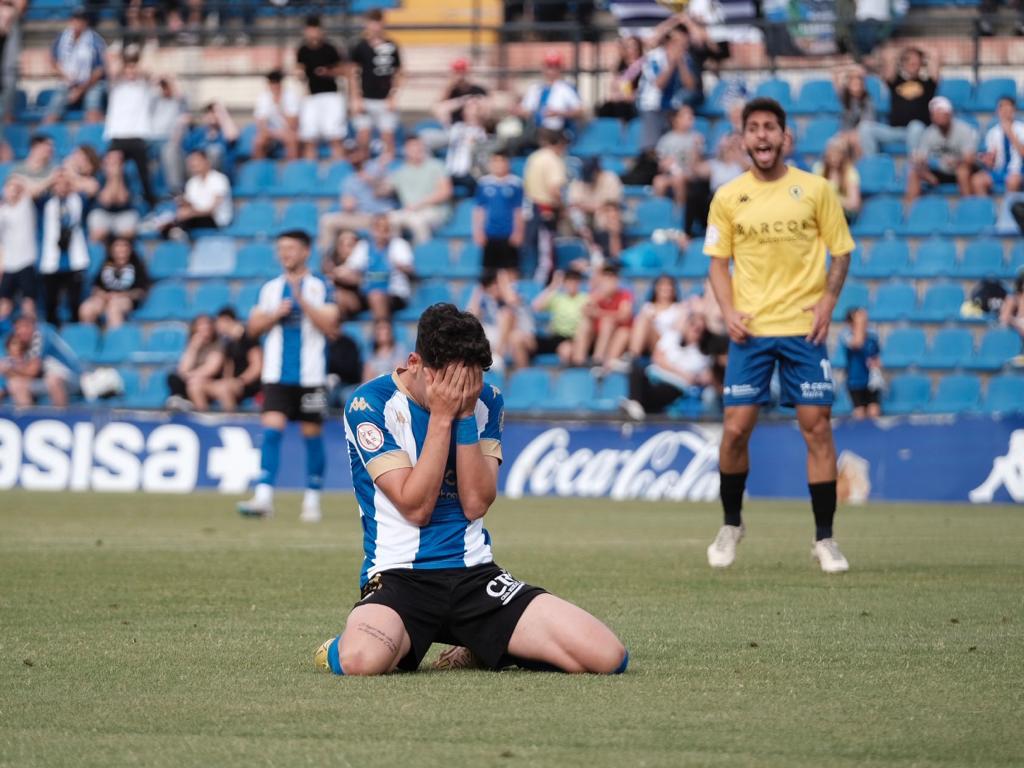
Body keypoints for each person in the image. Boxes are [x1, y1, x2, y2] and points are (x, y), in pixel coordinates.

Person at [313, 302, 627, 676]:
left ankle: (477, 643)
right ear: (415, 364)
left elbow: (476, 503)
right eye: (451, 383)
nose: (462, 392)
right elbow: (416, 508)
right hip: (399, 577)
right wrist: (442, 416)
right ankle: (335, 647)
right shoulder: (369, 404)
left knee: (608, 657)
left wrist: (463, 415)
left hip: (475, 576)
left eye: (470, 383)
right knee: (361, 660)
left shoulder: (485, 400)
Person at [703, 97, 856, 573]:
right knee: (734, 430)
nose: (762, 135)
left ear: (784, 137)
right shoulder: (728, 196)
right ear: (743, 138)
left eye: (770, 127)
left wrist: (828, 303)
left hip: (802, 331)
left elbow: (841, 251)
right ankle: (731, 524)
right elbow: (717, 264)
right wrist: (728, 311)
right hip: (750, 332)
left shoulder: (816, 189)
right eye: (754, 128)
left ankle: (825, 538)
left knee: (817, 428)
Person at [238, 230, 340, 523]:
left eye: (291, 248)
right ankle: (263, 497)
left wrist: (302, 302)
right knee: (271, 431)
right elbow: (252, 328)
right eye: (281, 248)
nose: (285, 254)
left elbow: (331, 326)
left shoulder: (320, 286)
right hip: (276, 375)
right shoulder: (270, 288)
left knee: (312, 436)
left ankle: (312, 500)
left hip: (311, 377)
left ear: (306, 251)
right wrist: (275, 314)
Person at [621, 312, 713, 419]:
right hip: (653, 377)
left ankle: (635, 407)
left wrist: (668, 366)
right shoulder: (671, 336)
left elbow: (701, 378)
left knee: (653, 393)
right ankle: (635, 406)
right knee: (635, 365)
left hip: (673, 387)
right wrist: (681, 372)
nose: (694, 329)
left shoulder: (702, 355)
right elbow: (657, 358)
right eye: (692, 324)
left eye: (699, 329)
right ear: (687, 324)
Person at [858, 45, 940, 158]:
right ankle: (873, 164)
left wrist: (918, 50)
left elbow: (935, 56)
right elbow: (889, 58)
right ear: (904, 64)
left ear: (921, 64)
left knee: (915, 126)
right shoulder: (896, 82)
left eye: (915, 62)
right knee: (865, 128)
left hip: (918, 131)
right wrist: (904, 51)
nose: (912, 64)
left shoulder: (928, 84)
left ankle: (914, 165)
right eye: (909, 61)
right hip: (895, 131)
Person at [103, 47, 157, 209]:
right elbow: (112, 70)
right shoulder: (116, 85)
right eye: (128, 68)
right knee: (112, 171)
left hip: (137, 135)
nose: (131, 71)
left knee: (144, 173)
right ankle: (113, 201)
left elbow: (149, 71)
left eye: (133, 68)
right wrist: (124, 59)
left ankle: (150, 201)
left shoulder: (144, 85)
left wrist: (135, 62)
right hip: (117, 135)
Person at [635, 20, 698, 151]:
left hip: (672, 107)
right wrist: (671, 63)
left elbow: (691, 86)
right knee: (651, 148)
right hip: (652, 106)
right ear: (669, 42)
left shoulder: (686, 58)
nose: (681, 47)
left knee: (670, 147)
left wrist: (681, 64)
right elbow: (659, 84)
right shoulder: (654, 57)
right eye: (678, 43)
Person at [317, 147, 395, 250]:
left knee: (392, 223)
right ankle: (324, 255)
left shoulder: (377, 167)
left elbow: (390, 190)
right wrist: (348, 205)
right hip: (362, 216)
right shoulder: (349, 180)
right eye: (350, 155)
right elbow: (347, 205)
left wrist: (373, 181)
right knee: (327, 220)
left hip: (383, 215)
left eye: (356, 153)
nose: (354, 157)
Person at [39, 169, 90, 327]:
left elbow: (93, 188)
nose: (61, 187)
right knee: (51, 303)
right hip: (52, 260)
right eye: (58, 185)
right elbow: (33, 192)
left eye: (65, 184)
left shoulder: (77, 200)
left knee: (75, 302)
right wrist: (51, 178)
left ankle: (74, 333)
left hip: (75, 259)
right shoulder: (47, 202)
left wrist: (70, 176)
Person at [349, 9, 402, 157]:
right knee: (363, 138)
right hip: (365, 98)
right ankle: (363, 167)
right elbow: (353, 73)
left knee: (388, 138)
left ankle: (387, 167)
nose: (375, 26)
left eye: (378, 22)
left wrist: (393, 96)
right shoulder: (359, 46)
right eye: (372, 22)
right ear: (366, 24)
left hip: (385, 99)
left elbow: (398, 73)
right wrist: (356, 98)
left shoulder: (391, 46)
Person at [905, 96, 978, 203]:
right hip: (939, 171)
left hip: (958, 170)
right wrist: (921, 164)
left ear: (949, 114)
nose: (938, 117)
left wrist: (956, 161)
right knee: (914, 173)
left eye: (941, 113)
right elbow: (921, 156)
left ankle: (967, 206)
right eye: (935, 114)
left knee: (963, 171)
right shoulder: (929, 133)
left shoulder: (964, 130)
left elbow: (970, 158)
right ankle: (910, 210)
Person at [295, 16, 347, 162]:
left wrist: (328, 72)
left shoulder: (330, 49)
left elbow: (343, 70)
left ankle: (337, 167)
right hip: (312, 96)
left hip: (331, 95)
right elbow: (299, 70)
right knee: (309, 136)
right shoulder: (302, 50)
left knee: (335, 135)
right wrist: (299, 75)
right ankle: (310, 168)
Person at [385, 135, 452, 245]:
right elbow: (383, 190)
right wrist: (380, 168)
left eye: (419, 146)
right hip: (409, 212)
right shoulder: (400, 172)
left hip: (434, 211)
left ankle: (424, 253)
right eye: (412, 147)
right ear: (406, 150)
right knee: (388, 221)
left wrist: (419, 204)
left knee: (417, 221)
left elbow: (446, 192)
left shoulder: (436, 165)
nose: (417, 149)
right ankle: (397, 252)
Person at [345, 213, 414, 321]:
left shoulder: (399, 245)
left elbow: (410, 269)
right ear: (372, 230)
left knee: (376, 296)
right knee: (342, 297)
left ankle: (382, 329)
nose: (381, 232)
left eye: (385, 228)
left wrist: (399, 266)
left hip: (394, 293)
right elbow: (350, 268)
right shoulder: (363, 246)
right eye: (378, 228)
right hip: (366, 291)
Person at [0, 314, 79, 407]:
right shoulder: (24, 343)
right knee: (15, 384)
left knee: (53, 380)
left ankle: (62, 414)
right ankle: (27, 415)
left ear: (33, 325)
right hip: (45, 380)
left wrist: (9, 369)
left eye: (25, 326)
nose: (21, 331)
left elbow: (32, 371)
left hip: (72, 377)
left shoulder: (41, 335)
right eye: (18, 328)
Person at [522, 128, 568, 283]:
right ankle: (542, 285)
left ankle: (535, 281)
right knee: (546, 254)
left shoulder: (534, 157)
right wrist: (563, 206)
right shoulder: (553, 159)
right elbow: (554, 188)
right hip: (546, 208)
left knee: (535, 249)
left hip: (531, 207)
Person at [45, 8, 105, 125]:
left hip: (90, 84)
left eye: (81, 20)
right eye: (75, 19)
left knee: (93, 104)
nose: (78, 23)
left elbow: (99, 70)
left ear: (86, 22)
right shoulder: (62, 38)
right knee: (53, 109)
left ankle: (91, 134)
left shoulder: (95, 40)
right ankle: (47, 133)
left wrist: (80, 90)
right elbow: (53, 60)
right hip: (67, 82)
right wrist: (65, 76)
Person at [78, 236, 150, 329]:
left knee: (113, 307)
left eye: (124, 246)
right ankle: (89, 336)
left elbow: (141, 292)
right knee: (86, 308)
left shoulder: (136, 266)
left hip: (125, 299)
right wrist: (103, 294)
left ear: (130, 249)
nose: (121, 249)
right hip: (104, 298)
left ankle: (114, 336)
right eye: (117, 246)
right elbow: (95, 286)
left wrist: (121, 295)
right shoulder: (106, 264)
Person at [473, 150, 525, 278]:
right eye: (495, 161)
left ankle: (511, 289)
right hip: (490, 232)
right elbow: (479, 210)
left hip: (508, 232)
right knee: (489, 270)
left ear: (508, 163)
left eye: (502, 161)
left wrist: (518, 231)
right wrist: (478, 231)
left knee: (511, 268)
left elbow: (518, 210)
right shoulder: (484, 183)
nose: (499, 165)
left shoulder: (515, 183)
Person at [573, 262, 633, 371]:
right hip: (597, 334)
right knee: (585, 323)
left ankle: (598, 359)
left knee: (607, 322)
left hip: (616, 333)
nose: (608, 280)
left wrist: (599, 313)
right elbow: (584, 310)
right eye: (606, 277)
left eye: (611, 277)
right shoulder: (597, 294)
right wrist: (599, 295)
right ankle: (578, 361)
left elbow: (624, 315)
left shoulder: (624, 294)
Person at [162, 150, 233, 239]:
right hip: (196, 218)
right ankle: (174, 231)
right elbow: (191, 205)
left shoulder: (219, 179)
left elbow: (211, 210)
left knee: (183, 218)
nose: (193, 164)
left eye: (196, 160)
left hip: (216, 220)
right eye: (191, 161)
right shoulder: (192, 182)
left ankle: (177, 232)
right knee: (169, 222)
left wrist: (190, 213)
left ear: (206, 161)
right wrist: (183, 202)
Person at [514, 50, 583, 139]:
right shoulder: (535, 88)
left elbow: (580, 112)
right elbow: (526, 110)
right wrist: (519, 111)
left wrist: (559, 113)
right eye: (549, 66)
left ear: (560, 69)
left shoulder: (566, 88)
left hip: (558, 133)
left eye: (555, 67)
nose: (551, 70)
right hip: (535, 131)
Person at [206, 306, 262, 411]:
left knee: (224, 389)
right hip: (233, 382)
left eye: (219, 323)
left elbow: (256, 366)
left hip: (250, 384)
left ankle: (231, 417)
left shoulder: (248, 337)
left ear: (226, 320)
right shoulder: (228, 342)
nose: (217, 327)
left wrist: (241, 381)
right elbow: (229, 367)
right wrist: (228, 380)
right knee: (197, 387)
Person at [165, 313, 225, 412]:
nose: (205, 327)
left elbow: (211, 368)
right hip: (191, 380)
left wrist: (190, 376)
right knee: (172, 378)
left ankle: (201, 413)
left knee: (194, 385)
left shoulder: (218, 345)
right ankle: (181, 401)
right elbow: (183, 369)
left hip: (208, 381)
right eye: (201, 325)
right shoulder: (193, 344)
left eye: (207, 324)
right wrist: (193, 348)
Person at [0, 176, 38, 324]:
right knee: (4, 303)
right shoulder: (2, 212)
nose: (13, 192)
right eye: (10, 188)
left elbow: (33, 190)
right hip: (9, 264)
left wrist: (19, 181)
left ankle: (31, 331)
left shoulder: (26, 204)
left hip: (26, 261)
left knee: (28, 303)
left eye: (16, 189)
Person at [531, 268, 588, 366]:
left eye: (575, 281)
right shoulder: (557, 297)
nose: (572, 284)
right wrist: (553, 285)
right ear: (564, 283)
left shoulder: (585, 298)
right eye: (569, 281)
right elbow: (536, 306)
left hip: (573, 337)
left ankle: (569, 374)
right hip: (556, 336)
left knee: (566, 350)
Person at [651, 104, 703, 204]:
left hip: (689, 174)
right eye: (685, 116)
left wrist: (696, 149)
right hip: (671, 174)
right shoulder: (666, 139)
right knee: (658, 181)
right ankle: (660, 209)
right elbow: (660, 164)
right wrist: (665, 164)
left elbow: (698, 164)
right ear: (675, 119)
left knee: (678, 179)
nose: (690, 118)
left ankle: (680, 210)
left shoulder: (696, 138)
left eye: (691, 116)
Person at [974, 96, 1024, 195]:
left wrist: (1010, 133)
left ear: (1013, 110)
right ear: (997, 111)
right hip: (999, 170)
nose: (1004, 110)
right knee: (977, 180)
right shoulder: (992, 132)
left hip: (1017, 170)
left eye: (1007, 106)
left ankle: (1010, 205)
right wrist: (988, 160)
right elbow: (991, 160)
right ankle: (986, 205)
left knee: (1012, 181)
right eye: (1001, 107)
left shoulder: (1022, 129)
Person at [628, 274, 685, 358]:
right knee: (625, 331)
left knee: (645, 321)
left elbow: (678, 331)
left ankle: (632, 356)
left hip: (666, 343)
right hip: (648, 342)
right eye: (662, 285)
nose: (665, 288)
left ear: (673, 289)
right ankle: (631, 355)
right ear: (656, 288)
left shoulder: (679, 308)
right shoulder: (648, 307)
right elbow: (637, 327)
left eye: (669, 285)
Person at [87, 150, 140, 241]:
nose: (114, 165)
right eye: (110, 161)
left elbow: (121, 200)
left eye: (117, 162)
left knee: (128, 232)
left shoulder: (128, 175)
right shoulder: (99, 176)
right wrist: (111, 178)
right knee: (97, 233)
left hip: (124, 213)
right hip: (103, 212)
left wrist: (117, 177)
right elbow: (106, 201)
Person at [840, 307, 882, 420]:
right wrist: (860, 324)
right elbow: (857, 343)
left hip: (871, 381)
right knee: (859, 414)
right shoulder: (846, 335)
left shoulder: (872, 336)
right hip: (855, 381)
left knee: (874, 412)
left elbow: (877, 356)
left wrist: (875, 363)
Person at [253, 69, 300, 161]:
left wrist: (279, 106)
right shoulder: (263, 97)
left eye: (276, 82)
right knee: (259, 141)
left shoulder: (291, 96)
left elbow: (292, 124)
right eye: (272, 83)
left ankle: (291, 166)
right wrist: (269, 132)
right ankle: (259, 165)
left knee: (291, 139)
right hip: (270, 131)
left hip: (287, 130)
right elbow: (261, 121)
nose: (274, 85)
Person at [444, 97, 487, 194]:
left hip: (470, 174)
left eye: (474, 108)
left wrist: (480, 105)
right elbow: (441, 110)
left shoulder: (482, 131)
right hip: (451, 172)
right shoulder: (456, 127)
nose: (471, 111)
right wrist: (462, 101)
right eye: (468, 108)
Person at [813, 137, 861, 221]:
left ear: (844, 155)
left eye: (838, 153)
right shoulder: (819, 168)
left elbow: (854, 203)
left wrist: (833, 199)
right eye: (832, 153)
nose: (834, 157)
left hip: (841, 215)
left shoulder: (850, 172)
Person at [597, 35, 643, 121]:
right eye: (628, 47)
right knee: (604, 109)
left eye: (634, 46)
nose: (631, 50)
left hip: (634, 102)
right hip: (620, 99)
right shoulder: (622, 66)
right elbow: (615, 85)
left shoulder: (642, 65)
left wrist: (628, 96)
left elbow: (639, 89)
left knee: (622, 110)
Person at [321, 228, 364, 320]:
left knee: (338, 296)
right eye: (341, 244)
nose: (344, 248)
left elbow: (358, 280)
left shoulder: (363, 264)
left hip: (357, 300)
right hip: (334, 301)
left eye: (349, 245)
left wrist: (334, 274)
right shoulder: (330, 262)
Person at [833, 64, 875, 154]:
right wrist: (849, 69)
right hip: (845, 133)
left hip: (860, 134)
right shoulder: (844, 97)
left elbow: (867, 123)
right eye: (852, 82)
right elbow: (836, 77)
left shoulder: (867, 101)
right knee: (836, 143)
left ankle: (861, 162)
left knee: (857, 141)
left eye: (858, 83)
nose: (855, 85)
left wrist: (852, 134)